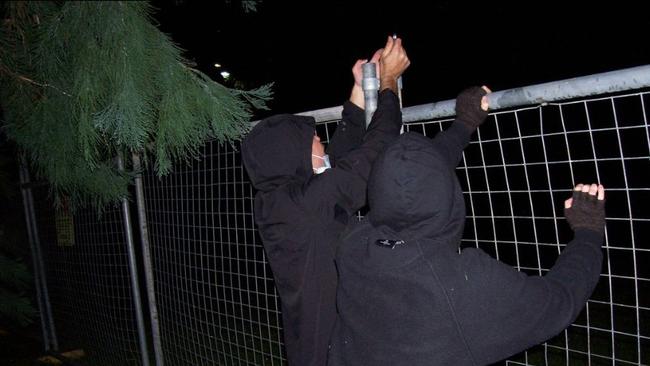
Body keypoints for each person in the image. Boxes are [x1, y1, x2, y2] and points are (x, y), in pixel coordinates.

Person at [328, 86, 606, 366]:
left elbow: (409, 181)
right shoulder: (464, 285)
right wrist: (588, 232)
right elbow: (558, 302)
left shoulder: (354, 245)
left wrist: (463, 125)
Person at [241, 36, 410, 366]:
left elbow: (341, 160)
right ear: (296, 157)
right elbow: (374, 154)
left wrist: (360, 91)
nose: (322, 144)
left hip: (311, 347)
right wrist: (388, 82)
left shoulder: (277, 201)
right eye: (316, 141)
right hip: (334, 355)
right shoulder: (309, 203)